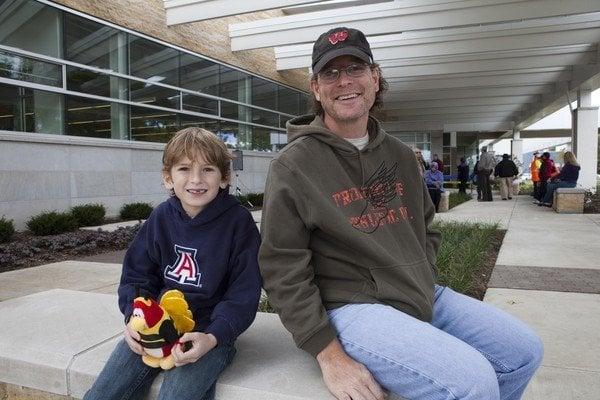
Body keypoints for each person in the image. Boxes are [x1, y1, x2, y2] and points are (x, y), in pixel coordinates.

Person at [259, 26, 542, 400]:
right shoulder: (294, 165)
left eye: (355, 69)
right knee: (472, 383)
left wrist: (420, 275)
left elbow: (426, 228)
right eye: (331, 72)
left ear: (375, 78)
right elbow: (281, 267)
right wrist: (329, 355)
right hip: (351, 305)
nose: (345, 81)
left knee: (523, 352)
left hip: (419, 293)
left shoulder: (401, 156)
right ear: (316, 88)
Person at [84, 128, 262, 400]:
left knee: (177, 394)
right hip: (157, 324)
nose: (196, 180)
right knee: (102, 394)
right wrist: (135, 316)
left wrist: (214, 337)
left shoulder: (238, 223)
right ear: (168, 177)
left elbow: (244, 291)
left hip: (209, 330)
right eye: (184, 169)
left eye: (208, 170)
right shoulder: (161, 218)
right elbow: (137, 275)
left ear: (224, 177)